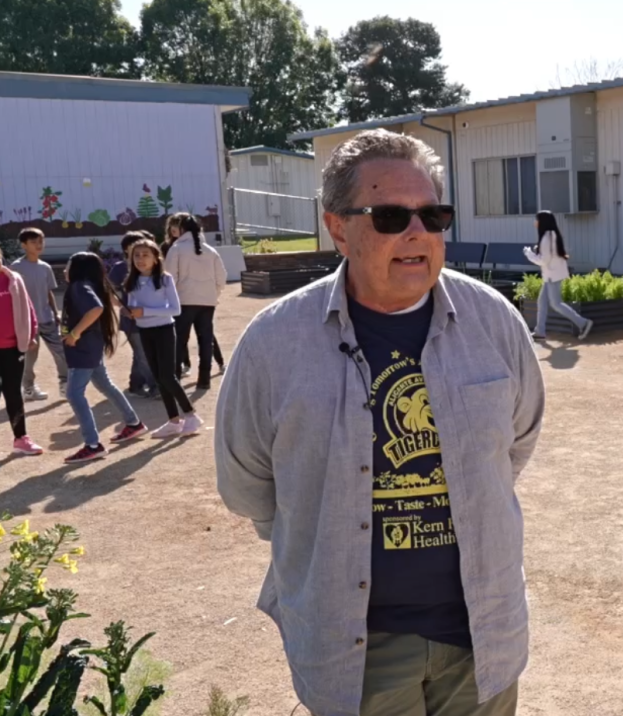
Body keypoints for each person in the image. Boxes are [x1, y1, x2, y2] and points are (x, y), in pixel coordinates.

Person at [216, 128, 545, 716]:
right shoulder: (274, 342)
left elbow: (514, 446)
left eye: (433, 215)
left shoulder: (494, 322)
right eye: (391, 216)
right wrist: (316, 530)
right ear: (338, 227)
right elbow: (248, 484)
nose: (417, 233)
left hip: (481, 637)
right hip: (356, 649)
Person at [61, 252, 147, 464]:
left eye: (68, 264)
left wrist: (74, 333)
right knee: (105, 384)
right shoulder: (88, 285)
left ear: (77, 269)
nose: (65, 269)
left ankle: (93, 444)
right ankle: (134, 423)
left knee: (74, 393)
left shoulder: (79, 286)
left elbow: (95, 308)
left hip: (83, 348)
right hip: (91, 346)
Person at [123, 237, 202, 439]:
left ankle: (191, 415)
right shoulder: (131, 281)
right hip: (145, 332)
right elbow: (133, 307)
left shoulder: (165, 278)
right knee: (158, 378)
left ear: (156, 258)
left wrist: (144, 311)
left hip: (164, 330)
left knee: (168, 376)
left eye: (145, 255)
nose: (140, 259)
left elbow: (175, 309)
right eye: (136, 256)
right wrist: (130, 312)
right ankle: (174, 421)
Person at [164, 213, 226, 390]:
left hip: (183, 301)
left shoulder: (176, 249)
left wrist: (170, 299)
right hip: (208, 302)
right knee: (206, 340)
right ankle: (204, 380)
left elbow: (169, 279)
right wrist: (213, 294)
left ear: (182, 229)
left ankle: (174, 379)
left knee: (178, 341)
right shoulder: (211, 250)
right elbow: (221, 278)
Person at [10, 228, 66, 400]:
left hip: (47, 318)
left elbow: (49, 291)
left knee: (61, 351)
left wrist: (55, 311)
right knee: (29, 357)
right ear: (24, 245)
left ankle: (65, 384)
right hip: (27, 322)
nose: (38, 245)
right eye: (33, 242)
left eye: (41, 241)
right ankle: (28, 388)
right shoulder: (15, 268)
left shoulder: (45, 267)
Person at [523, 211, 593, 341]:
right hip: (552, 274)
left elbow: (544, 260)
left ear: (542, 222)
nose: (535, 222)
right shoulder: (551, 235)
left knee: (556, 304)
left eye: (536, 219)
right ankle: (540, 331)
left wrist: (529, 254)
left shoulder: (546, 237)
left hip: (552, 275)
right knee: (542, 301)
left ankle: (583, 322)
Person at [0, 264, 45, 456]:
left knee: (13, 393)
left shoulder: (13, 278)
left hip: (12, 347)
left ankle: (21, 438)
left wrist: (32, 333)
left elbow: (28, 308)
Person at [108, 232, 159, 399]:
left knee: (142, 353)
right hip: (132, 321)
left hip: (151, 318)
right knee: (144, 354)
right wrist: (122, 307)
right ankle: (154, 387)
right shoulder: (120, 268)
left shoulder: (152, 268)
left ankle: (135, 385)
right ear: (127, 249)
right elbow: (109, 291)